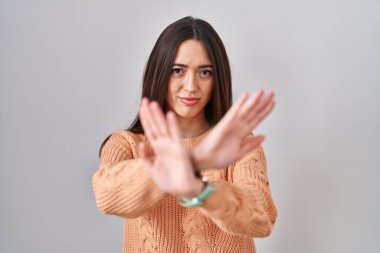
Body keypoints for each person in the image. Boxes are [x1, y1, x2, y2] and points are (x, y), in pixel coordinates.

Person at [92, 16, 277, 253]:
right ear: (159, 72)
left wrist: (199, 191)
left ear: (217, 78)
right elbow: (108, 196)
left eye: (205, 72)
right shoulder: (126, 144)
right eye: (178, 70)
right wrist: (195, 160)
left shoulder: (239, 145)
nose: (190, 86)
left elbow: (261, 220)